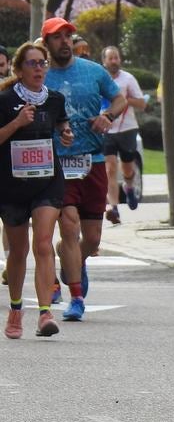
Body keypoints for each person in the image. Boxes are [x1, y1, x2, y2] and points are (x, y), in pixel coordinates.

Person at [42, 16, 125, 322]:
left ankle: (74, 258)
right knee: (69, 223)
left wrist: (107, 116)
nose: (64, 41)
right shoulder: (41, 75)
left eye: (68, 36)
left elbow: (119, 99)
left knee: (91, 238)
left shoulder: (93, 71)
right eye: (57, 37)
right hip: (57, 164)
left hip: (93, 161)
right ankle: (76, 298)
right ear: (47, 42)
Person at [0, 41, 73, 338]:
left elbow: (62, 125)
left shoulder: (54, 100)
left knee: (43, 242)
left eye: (42, 63)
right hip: (11, 185)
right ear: (18, 70)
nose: (39, 68)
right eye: (32, 63)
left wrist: (66, 133)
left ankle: (45, 313)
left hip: (47, 180)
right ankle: (16, 308)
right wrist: (17, 123)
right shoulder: (4, 100)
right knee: (18, 250)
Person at [101, 46, 148, 223]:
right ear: (104, 61)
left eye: (116, 58)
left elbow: (142, 104)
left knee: (127, 167)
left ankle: (128, 186)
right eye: (110, 58)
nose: (114, 61)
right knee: (109, 168)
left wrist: (124, 100)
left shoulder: (128, 79)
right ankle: (113, 208)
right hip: (107, 130)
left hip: (127, 128)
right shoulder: (101, 79)